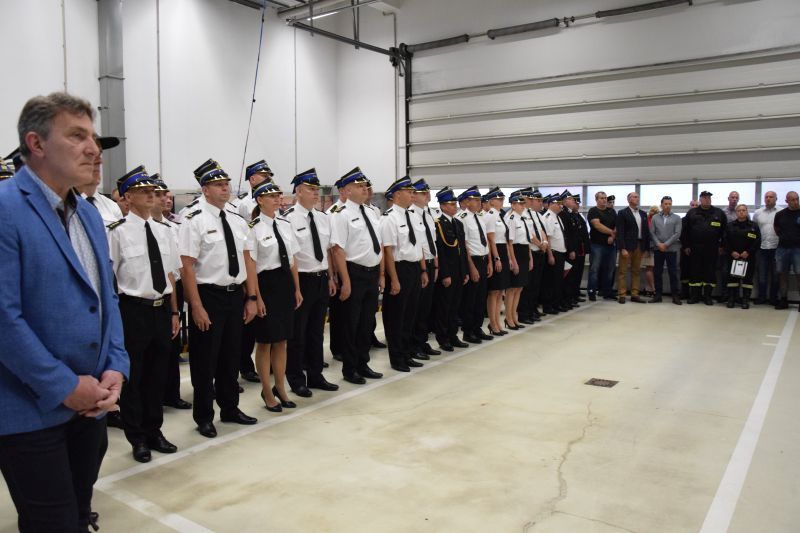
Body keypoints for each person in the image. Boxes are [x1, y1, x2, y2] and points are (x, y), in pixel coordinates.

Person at [0, 92, 128, 532]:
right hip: (30, 408)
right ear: (36, 143)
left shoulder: (88, 215)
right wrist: (65, 386)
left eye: (92, 136)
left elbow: (106, 299)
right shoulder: (5, 208)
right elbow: (4, 319)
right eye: (77, 136)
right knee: (50, 522)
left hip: (91, 406)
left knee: (78, 512)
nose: (94, 149)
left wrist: (116, 366)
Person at [178, 158, 259, 438]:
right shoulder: (194, 220)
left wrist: (251, 297)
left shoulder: (237, 220)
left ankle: (230, 408)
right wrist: (196, 306)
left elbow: (247, 260)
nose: (225, 189)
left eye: (226, 184)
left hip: (235, 294)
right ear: (205, 189)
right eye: (219, 185)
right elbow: (187, 266)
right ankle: (204, 416)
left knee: (231, 356)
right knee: (205, 360)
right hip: (208, 296)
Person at [108, 166, 181, 463]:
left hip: (160, 308)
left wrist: (174, 311)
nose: (152, 195)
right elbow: (110, 279)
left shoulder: (165, 231)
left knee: (157, 374)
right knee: (134, 377)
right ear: (128, 197)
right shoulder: (117, 232)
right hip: (132, 310)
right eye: (144, 191)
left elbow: (170, 275)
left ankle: (154, 430)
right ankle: (137, 437)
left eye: (153, 191)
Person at [244, 181, 303, 412]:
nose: (278, 199)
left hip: (284, 284)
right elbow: (251, 265)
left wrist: (297, 289)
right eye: (271, 196)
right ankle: (267, 391)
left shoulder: (285, 224)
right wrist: (255, 297)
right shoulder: (253, 227)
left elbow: (292, 260)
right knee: (265, 341)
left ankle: (280, 386)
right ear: (260, 200)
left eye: (279, 195)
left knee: (282, 340)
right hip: (265, 285)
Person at [283, 169, 339, 397]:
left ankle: (316, 375)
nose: (316, 193)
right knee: (297, 334)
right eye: (311, 189)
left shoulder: (323, 218)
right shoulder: (288, 219)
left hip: (321, 278)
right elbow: (290, 257)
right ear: (298, 191)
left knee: (317, 332)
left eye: (317, 189)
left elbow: (327, 251)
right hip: (302, 280)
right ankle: (296, 378)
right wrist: (295, 288)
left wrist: (331, 277)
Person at [329, 167, 385, 384]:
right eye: (359, 186)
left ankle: (363, 363)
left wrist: (381, 274)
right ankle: (350, 369)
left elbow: (378, 244)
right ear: (347, 190)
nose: (365, 189)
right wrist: (345, 281)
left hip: (372, 273)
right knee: (350, 324)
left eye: (365, 186)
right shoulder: (341, 215)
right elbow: (338, 250)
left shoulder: (371, 212)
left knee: (366, 323)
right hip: (354, 272)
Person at [150, 176, 192, 411]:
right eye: (159, 195)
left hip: (173, 288)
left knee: (172, 345)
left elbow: (178, 267)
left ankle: (171, 393)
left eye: (166, 195)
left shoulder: (174, 228)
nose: (165, 199)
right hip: (148, 294)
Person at [380, 177, 429, 372]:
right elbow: (388, 251)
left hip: (414, 268)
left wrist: (423, 270)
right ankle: (397, 358)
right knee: (396, 317)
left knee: (410, 314)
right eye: (409, 192)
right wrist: (394, 279)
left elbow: (419, 246)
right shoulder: (389, 218)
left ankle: (407, 353)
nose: (412, 195)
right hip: (399, 269)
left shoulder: (414, 217)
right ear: (397, 194)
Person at [238, 160, 275, 384]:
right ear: (252, 179)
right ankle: (245, 365)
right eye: (263, 175)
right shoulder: (243, 204)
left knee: (266, 323)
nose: (268, 178)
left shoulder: (271, 200)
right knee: (248, 324)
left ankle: (268, 363)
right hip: (250, 264)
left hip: (266, 263)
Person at [432, 187, 469, 352]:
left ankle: (453, 335)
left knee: (455, 306)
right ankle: (443, 338)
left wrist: (465, 271)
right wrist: (445, 274)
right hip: (448, 272)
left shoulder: (458, 223)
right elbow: (441, 251)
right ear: (443, 206)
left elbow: (462, 250)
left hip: (459, 271)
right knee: (444, 306)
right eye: (451, 204)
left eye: (455, 204)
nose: (455, 207)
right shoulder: (438, 224)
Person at [457, 186, 494, 344]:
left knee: (480, 298)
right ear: (467, 202)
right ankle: (468, 331)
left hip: (483, 259)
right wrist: (471, 267)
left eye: (479, 200)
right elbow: (465, 245)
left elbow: (485, 241)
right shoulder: (463, 218)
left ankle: (477, 328)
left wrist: (490, 261)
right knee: (470, 299)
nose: (479, 203)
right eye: (475, 200)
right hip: (473, 260)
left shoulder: (480, 217)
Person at [408, 179, 440, 358]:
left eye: (427, 192)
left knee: (426, 307)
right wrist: (423, 269)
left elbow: (432, 242)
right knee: (417, 308)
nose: (427, 196)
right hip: (420, 264)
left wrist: (435, 263)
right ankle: (414, 344)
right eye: (423, 193)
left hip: (430, 262)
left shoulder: (428, 214)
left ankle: (422, 341)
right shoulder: (411, 214)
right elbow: (418, 244)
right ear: (413, 196)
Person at [683, 191, 727, 305]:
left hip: (712, 248)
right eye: (705, 198)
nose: (707, 200)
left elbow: (725, 232)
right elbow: (685, 230)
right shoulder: (692, 213)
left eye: (709, 198)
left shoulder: (719, 213)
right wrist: (686, 245)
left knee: (710, 272)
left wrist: (722, 245)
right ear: (700, 199)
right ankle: (695, 296)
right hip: (695, 248)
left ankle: (707, 296)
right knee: (695, 271)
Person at [484, 187, 512, 335]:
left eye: (502, 199)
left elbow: (504, 239)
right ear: (491, 201)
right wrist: (496, 258)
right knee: (494, 291)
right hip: (496, 251)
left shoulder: (499, 215)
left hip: (502, 251)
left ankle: (498, 323)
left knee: (501, 290)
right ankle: (493, 323)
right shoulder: (490, 216)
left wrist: (508, 257)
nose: (501, 202)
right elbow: (491, 239)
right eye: (499, 199)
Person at [518, 188, 549, 322]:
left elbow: (541, 230)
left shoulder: (534, 214)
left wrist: (545, 242)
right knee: (528, 285)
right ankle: (524, 313)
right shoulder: (522, 214)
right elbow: (529, 234)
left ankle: (532, 309)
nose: (531, 201)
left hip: (539, 251)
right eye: (529, 199)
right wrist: (540, 244)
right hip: (531, 251)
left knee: (536, 284)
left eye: (532, 199)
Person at [724, 204, 760, 309]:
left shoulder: (753, 226)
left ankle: (745, 300)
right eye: (739, 210)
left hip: (748, 257)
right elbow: (725, 241)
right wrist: (732, 252)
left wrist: (748, 252)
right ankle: (731, 299)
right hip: (733, 257)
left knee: (747, 279)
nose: (741, 212)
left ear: (747, 212)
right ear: (736, 213)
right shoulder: (730, 226)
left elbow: (757, 241)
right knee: (732, 279)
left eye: (743, 210)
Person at [615, 192, 649, 303]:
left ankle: (635, 294)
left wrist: (646, 248)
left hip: (639, 245)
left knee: (636, 271)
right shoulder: (622, 213)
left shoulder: (643, 214)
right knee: (623, 271)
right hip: (627, 246)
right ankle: (622, 294)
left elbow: (646, 232)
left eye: (638, 197)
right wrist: (622, 248)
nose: (637, 198)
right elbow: (620, 231)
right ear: (629, 200)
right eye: (634, 197)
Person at [505, 191, 532, 329]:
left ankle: (514, 316)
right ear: (513, 205)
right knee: (512, 288)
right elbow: (509, 243)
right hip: (515, 251)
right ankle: (508, 318)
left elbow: (527, 240)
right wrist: (513, 261)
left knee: (519, 288)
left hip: (524, 252)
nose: (522, 206)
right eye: (519, 204)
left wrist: (530, 258)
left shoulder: (523, 218)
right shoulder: (511, 219)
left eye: (523, 204)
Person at [587, 191, 617, 301]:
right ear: (596, 200)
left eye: (605, 198)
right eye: (601, 198)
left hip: (610, 245)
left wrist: (613, 237)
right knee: (594, 269)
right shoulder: (593, 211)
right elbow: (597, 225)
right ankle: (592, 291)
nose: (604, 200)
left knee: (610, 269)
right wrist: (611, 233)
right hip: (597, 245)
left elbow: (617, 225)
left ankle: (607, 292)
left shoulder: (612, 211)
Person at [541, 193, 569, 313]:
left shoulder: (557, 217)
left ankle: (556, 303)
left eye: (561, 204)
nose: (560, 206)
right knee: (550, 281)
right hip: (553, 253)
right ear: (551, 204)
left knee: (558, 281)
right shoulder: (548, 217)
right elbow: (547, 238)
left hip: (560, 252)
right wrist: (550, 255)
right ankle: (548, 306)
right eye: (558, 204)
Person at [773, 191, 800, 310]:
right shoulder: (780, 214)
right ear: (786, 201)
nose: (796, 202)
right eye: (792, 200)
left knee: (799, 274)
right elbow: (776, 228)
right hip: (782, 249)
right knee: (782, 275)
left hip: (798, 249)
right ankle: (783, 300)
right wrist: (784, 237)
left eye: (797, 199)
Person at [752, 191, 779, 305]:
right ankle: (761, 297)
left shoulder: (781, 212)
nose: (768, 199)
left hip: (777, 248)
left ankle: (773, 298)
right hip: (761, 248)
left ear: (776, 199)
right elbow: (753, 229)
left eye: (771, 197)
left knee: (776, 275)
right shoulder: (758, 213)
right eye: (766, 197)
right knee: (761, 275)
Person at [641, 205, 660, 297]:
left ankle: (648, 288)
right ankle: (653, 289)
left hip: (650, 247)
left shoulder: (647, 221)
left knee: (650, 269)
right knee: (650, 268)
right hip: (650, 248)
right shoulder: (651, 222)